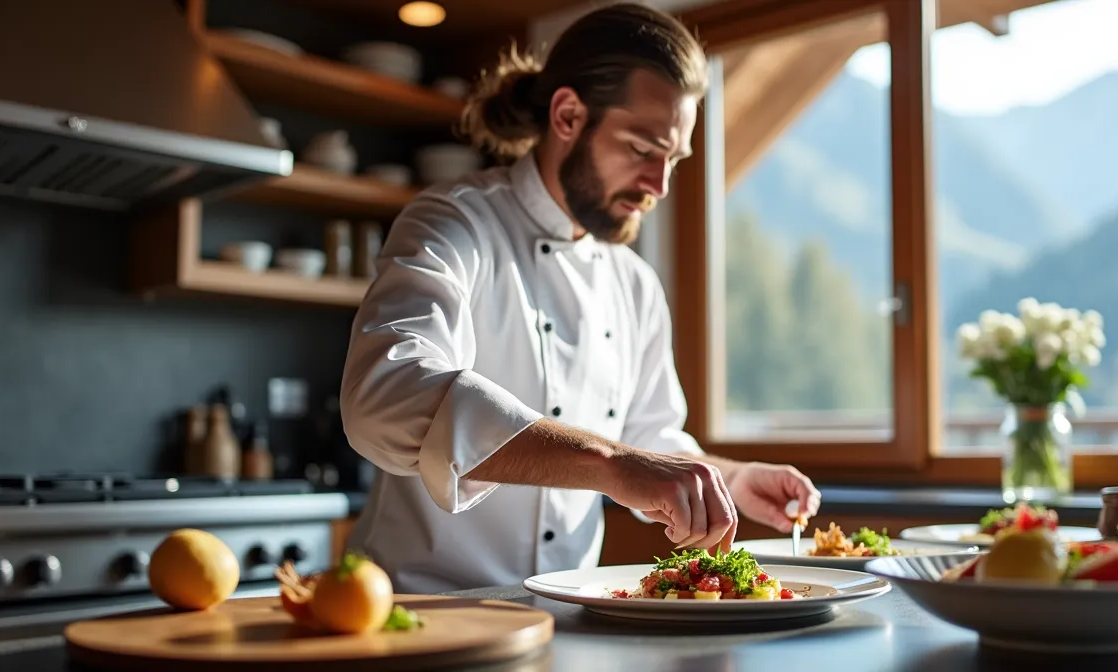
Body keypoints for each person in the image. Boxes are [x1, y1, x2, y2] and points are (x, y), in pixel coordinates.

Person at [339, 2, 821, 594]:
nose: (659, 186)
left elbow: (650, 443)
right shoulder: (454, 222)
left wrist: (732, 478)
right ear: (567, 115)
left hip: (566, 616)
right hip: (420, 613)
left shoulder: (633, 283)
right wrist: (611, 466)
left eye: (673, 159)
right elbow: (386, 394)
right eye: (643, 149)